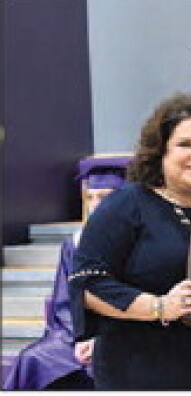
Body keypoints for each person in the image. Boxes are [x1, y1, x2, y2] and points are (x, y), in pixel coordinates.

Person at [68, 94, 191, 389]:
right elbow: (88, 284)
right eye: (185, 144)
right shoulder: (127, 204)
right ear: (160, 152)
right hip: (140, 369)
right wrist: (159, 306)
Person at [3, 154, 131, 390]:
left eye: (103, 197)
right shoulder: (75, 244)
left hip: (125, 336)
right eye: (89, 197)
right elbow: (64, 304)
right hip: (76, 334)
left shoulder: (139, 243)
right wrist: (82, 338)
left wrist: (102, 341)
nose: (94, 205)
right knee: (36, 359)